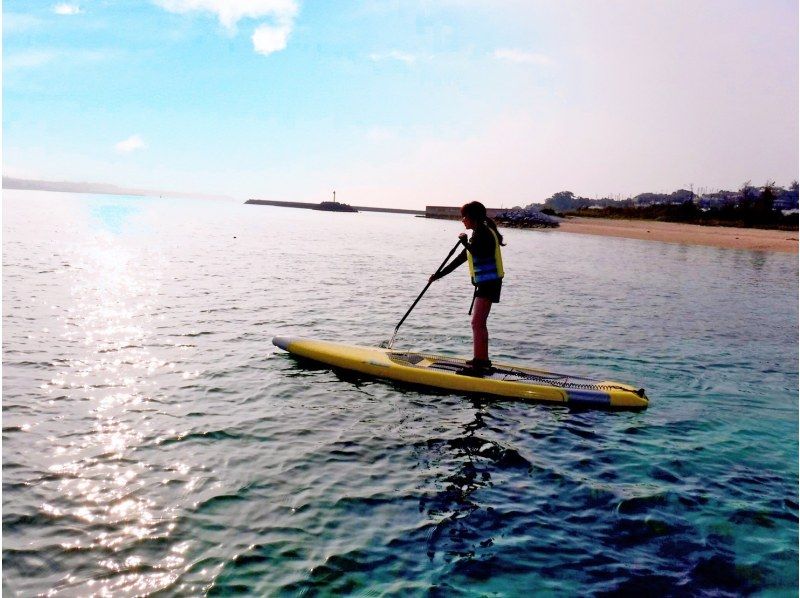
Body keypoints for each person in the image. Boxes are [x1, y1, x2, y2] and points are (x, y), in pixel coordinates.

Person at [429, 201, 505, 374]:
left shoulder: (483, 234)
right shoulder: (478, 234)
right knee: (478, 323)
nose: (462, 220)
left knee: (477, 323)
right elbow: (460, 259)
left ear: (472, 218)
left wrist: (464, 242)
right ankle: (481, 359)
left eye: (464, 217)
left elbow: (480, 253)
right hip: (486, 283)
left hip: (489, 283)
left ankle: (481, 362)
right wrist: (438, 275)